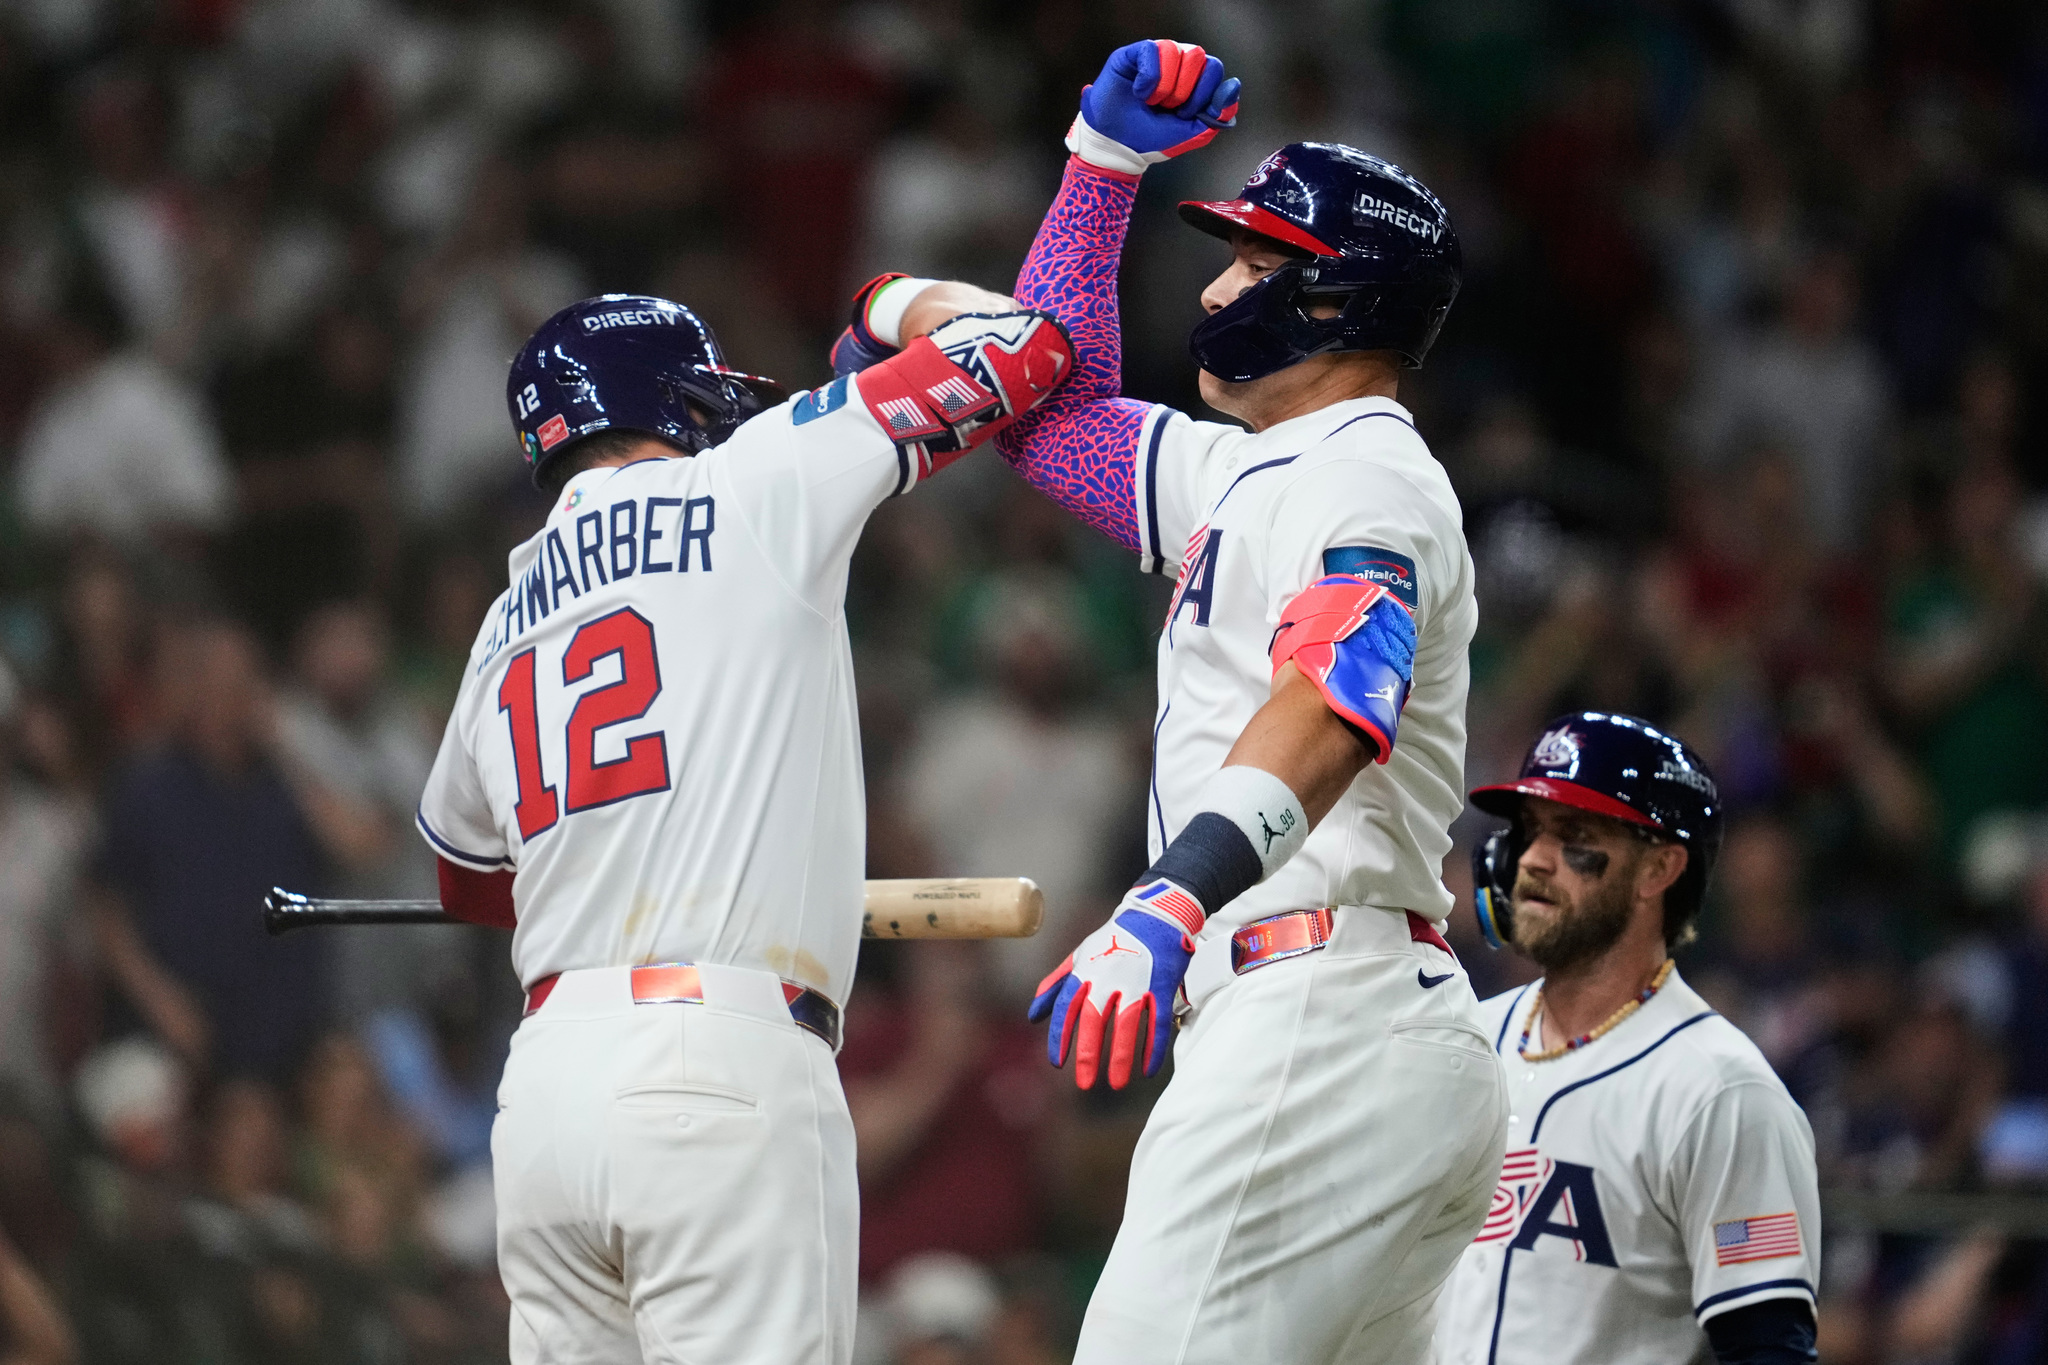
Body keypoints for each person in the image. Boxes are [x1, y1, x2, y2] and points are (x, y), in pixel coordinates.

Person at [848, 40, 1508, 1363]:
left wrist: (1168, 896)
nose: (1216, 288)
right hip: (1364, 1025)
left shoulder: (1363, 478)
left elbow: (1334, 701)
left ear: (1335, 302)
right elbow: (1052, 416)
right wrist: (1099, 173)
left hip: (1314, 1011)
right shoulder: (1266, 471)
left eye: (1257, 265)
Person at [413, 289, 1073, 1364]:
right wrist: (878, 310)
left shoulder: (503, 617)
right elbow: (1029, 346)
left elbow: (469, 882)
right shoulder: (756, 478)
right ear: (673, 403)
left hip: (544, 1090)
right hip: (719, 1064)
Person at [1442, 712, 1821, 1365]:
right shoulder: (1461, 1040)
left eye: (1575, 836)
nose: (1532, 858)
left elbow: (1768, 1346)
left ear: (1658, 870)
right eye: (1530, 831)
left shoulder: (1723, 1093)